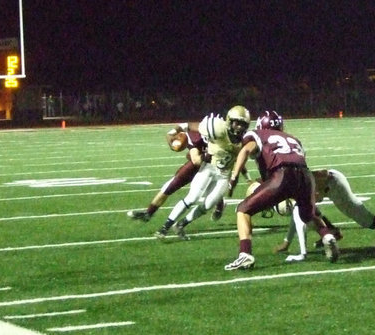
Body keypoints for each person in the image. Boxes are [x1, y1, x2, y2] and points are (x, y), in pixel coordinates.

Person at [225, 110, 339, 270]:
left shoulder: (256, 134)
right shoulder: (293, 139)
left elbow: (245, 150)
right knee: (308, 215)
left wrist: (234, 177)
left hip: (282, 175)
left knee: (243, 209)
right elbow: (297, 162)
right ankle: (327, 235)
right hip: (305, 176)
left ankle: (245, 254)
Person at [272, 168, 375, 262]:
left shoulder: (290, 186)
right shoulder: (288, 185)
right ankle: (333, 232)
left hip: (334, 184)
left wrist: (302, 254)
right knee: (308, 211)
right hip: (329, 185)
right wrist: (287, 242)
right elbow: (299, 215)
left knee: (370, 222)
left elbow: (299, 217)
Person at [153, 106, 251, 239]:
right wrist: (174, 131)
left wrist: (245, 178)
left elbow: (241, 160)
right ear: (229, 120)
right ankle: (165, 227)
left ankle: (181, 225)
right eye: (237, 123)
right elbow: (191, 126)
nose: (239, 127)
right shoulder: (217, 127)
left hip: (223, 176)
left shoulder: (245, 140)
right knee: (192, 198)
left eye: (243, 124)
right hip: (208, 168)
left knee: (208, 205)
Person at [126, 121, 208, 222]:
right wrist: (171, 141)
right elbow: (176, 130)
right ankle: (149, 213)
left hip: (211, 166)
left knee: (212, 191)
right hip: (196, 164)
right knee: (170, 185)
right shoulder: (194, 132)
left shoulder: (219, 133)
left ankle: (219, 204)